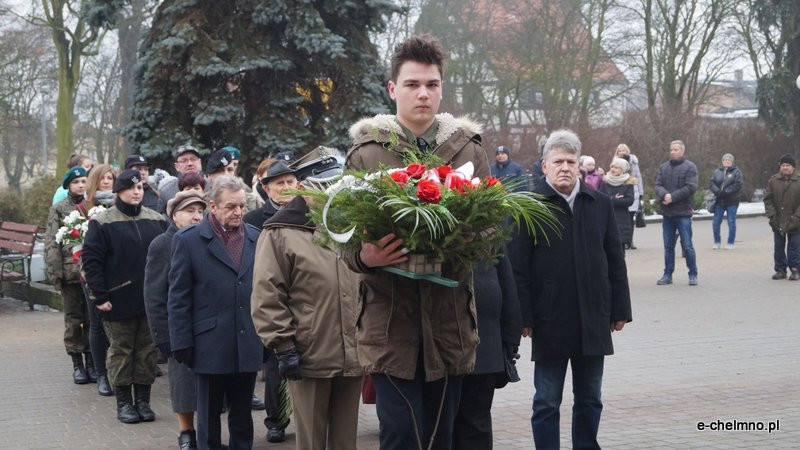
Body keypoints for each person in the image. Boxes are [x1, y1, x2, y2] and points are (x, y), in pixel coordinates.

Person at [344, 34, 489, 450]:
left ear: (442, 88)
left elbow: (493, 225)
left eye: (431, 84)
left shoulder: (468, 150)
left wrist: (470, 236)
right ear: (393, 89)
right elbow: (337, 232)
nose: (422, 94)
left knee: (441, 436)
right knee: (401, 435)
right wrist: (364, 255)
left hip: (449, 324)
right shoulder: (367, 153)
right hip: (390, 323)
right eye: (412, 84)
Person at [508, 129, 632, 449]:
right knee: (546, 401)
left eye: (570, 161)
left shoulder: (599, 203)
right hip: (550, 318)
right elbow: (517, 266)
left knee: (590, 398)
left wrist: (620, 309)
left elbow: (615, 260)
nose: (565, 167)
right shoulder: (530, 206)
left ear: (580, 166)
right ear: (544, 166)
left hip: (594, 316)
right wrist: (524, 315)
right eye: (557, 161)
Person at [251, 154, 364, 450]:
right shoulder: (280, 232)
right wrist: (283, 346)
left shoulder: (349, 227)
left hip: (353, 353)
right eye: (324, 185)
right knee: (311, 441)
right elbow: (267, 294)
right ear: (305, 187)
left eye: (336, 184)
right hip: (308, 353)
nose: (331, 192)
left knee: (345, 441)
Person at [168, 176, 263, 450]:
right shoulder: (189, 241)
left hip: (247, 339)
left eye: (242, 206)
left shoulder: (256, 238)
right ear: (213, 206)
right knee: (208, 416)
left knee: (242, 414)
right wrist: (181, 342)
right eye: (231, 206)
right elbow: (178, 298)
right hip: (209, 343)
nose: (238, 212)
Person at [81, 169, 167, 424]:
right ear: (118, 191)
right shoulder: (103, 222)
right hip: (117, 300)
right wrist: (100, 295)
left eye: (140, 188)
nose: (136, 192)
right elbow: (92, 262)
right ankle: (124, 403)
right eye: (131, 188)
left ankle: (143, 401)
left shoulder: (156, 220)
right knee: (121, 351)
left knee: (147, 352)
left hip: (149, 301)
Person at [144, 190, 207, 450]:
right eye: (190, 211)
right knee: (183, 385)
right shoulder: (162, 244)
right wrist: (163, 337)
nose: (196, 216)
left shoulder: (206, 239)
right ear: (174, 215)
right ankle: (186, 434)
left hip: (206, 325)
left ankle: (207, 434)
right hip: (178, 327)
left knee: (209, 386)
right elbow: (154, 295)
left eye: (200, 211)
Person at [452, 250, 521, 449]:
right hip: (445, 346)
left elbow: (507, 284)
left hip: (486, 345)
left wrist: (509, 340)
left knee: (477, 422)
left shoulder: (488, 230)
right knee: (446, 425)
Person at [45, 166, 93, 385]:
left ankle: (93, 361)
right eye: (76, 182)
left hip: (91, 272)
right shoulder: (59, 208)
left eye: (84, 181)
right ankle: (77, 363)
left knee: (92, 319)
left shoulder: (92, 206)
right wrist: (56, 272)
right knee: (74, 319)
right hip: (71, 272)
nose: (81, 185)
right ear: (68, 186)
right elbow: (53, 241)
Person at [81, 164, 117, 396]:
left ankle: (119, 373)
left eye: (111, 177)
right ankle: (101, 373)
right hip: (92, 274)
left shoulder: (122, 205)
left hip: (119, 274)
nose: (107, 181)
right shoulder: (84, 208)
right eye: (103, 178)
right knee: (97, 325)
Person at [654, 140, 699, 286]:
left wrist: (672, 197)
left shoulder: (690, 167)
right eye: (671, 149)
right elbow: (658, 185)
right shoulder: (664, 167)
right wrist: (664, 195)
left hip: (683, 213)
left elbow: (691, 187)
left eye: (675, 149)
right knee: (668, 246)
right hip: (668, 214)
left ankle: (693, 274)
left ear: (682, 151)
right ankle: (668, 274)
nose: (672, 152)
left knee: (687, 246)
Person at [763, 153, 800, 280]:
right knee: (778, 247)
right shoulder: (773, 181)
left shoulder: (798, 180)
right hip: (777, 220)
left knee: (794, 247)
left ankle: (795, 269)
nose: (785, 167)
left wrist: (796, 218)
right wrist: (772, 216)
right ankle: (780, 269)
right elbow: (768, 200)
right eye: (783, 165)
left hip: (796, 221)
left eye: (788, 165)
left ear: (793, 167)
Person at [243, 161, 298, 229]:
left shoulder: (310, 213)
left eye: (290, 182)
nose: (287, 188)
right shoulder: (251, 220)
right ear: (267, 189)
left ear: (297, 186)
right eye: (280, 183)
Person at [599, 158, 636, 253]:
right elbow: (600, 199)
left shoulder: (628, 183)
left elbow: (629, 201)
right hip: (606, 220)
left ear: (622, 169)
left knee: (620, 254)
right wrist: (614, 199)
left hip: (621, 221)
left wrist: (611, 199)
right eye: (612, 166)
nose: (613, 169)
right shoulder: (605, 182)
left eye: (616, 167)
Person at [708, 153, 743, 250]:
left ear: (732, 162)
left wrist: (726, 192)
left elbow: (738, 185)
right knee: (715, 222)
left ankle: (730, 243)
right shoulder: (717, 171)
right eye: (725, 160)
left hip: (732, 201)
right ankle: (717, 242)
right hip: (719, 201)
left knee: (731, 222)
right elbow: (711, 183)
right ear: (722, 161)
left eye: (729, 160)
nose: (727, 161)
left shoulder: (737, 172)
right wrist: (717, 191)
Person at [157, 144, 204, 213]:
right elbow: (161, 218)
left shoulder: (212, 186)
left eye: (193, 159)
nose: (190, 163)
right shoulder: (166, 191)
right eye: (184, 160)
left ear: (200, 163)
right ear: (177, 167)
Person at [614, 144, 644, 250]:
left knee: (630, 218)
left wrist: (640, 192)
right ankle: (622, 240)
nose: (622, 152)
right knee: (622, 218)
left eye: (624, 150)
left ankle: (630, 241)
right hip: (620, 192)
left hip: (633, 192)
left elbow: (638, 177)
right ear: (617, 152)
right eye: (620, 150)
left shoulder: (634, 162)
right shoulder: (615, 163)